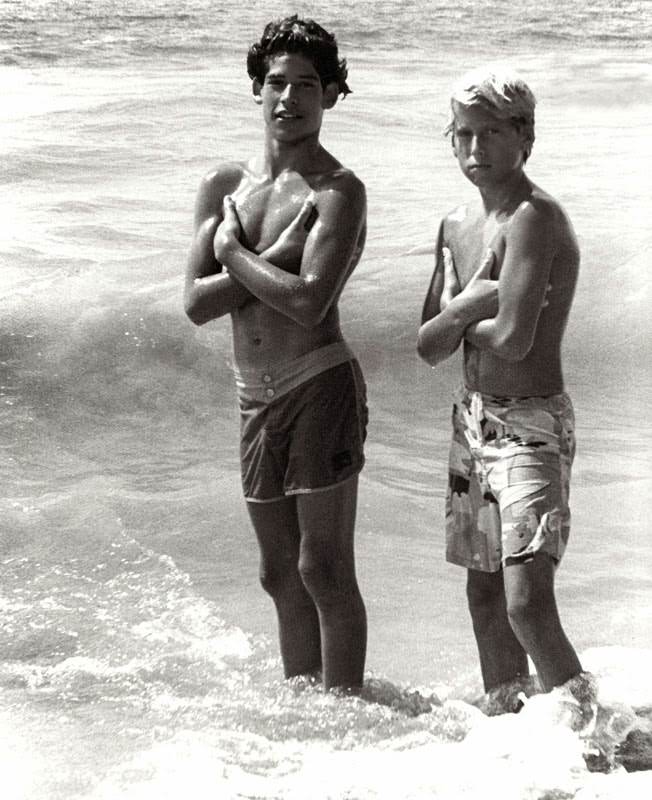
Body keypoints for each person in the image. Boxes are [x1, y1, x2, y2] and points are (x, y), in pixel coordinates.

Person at [183, 16, 368, 692]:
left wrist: (232, 252)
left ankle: (344, 709)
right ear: (257, 90)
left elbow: (309, 301)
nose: (288, 98)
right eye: (276, 84)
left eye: (306, 86)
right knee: (276, 572)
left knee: (324, 569)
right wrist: (270, 260)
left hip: (319, 381)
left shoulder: (338, 191)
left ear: (331, 94)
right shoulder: (222, 187)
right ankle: (305, 708)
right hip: (251, 393)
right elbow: (196, 305)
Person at [417, 67, 584, 701]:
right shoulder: (456, 224)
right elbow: (428, 345)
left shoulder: (533, 219)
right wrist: (462, 310)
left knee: (525, 602)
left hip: (530, 422)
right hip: (472, 420)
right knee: (483, 592)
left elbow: (515, 340)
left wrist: (460, 315)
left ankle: (606, 744)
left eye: (491, 133)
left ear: (525, 138)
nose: (475, 150)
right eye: (463, 134)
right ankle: (510, 736)